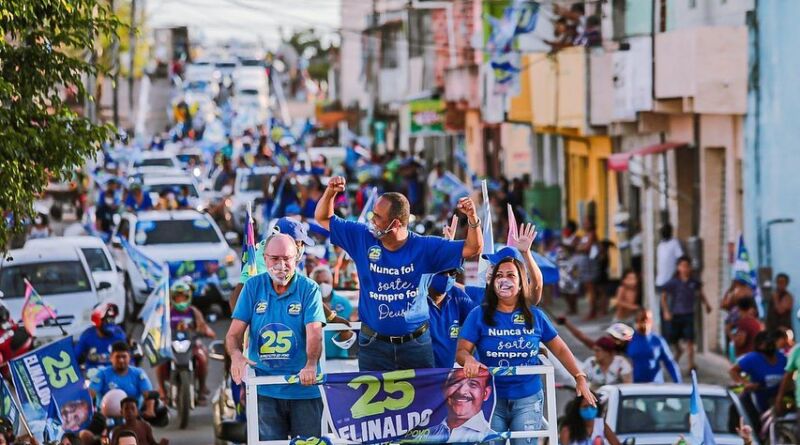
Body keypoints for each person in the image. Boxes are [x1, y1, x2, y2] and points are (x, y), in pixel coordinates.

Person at [315, 176, 483, 371]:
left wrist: (473, 219)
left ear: (394, 224)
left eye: (377, 216)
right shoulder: (362, 237)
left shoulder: (425, 246)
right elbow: (323, 218)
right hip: (373, 345)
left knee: (423, 402)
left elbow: (473, 248)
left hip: (416, 345)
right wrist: (331, 192)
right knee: (374, 402)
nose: (372, 220)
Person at [456, 251, 594, 444]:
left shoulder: (535, 316)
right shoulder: (478, 315)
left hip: (528, 398)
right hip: (490, 397)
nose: (504, 280)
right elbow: (462, 351)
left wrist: (579, 377)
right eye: (499, 275)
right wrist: (469, 359)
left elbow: (560, 349)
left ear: (521, 284)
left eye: (511, 275)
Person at [226, 234, 326, 440]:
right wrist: (236, 355)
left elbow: (314, 333)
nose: (281, 265)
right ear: (265, 258)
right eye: (274, 258)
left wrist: (310, 364)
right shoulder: (253, 286)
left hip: (304, 389)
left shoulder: (309, 288)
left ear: (296, 258)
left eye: (287, 258)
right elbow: (233, 334)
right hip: (265, 389)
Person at [154, 281, 215, 405]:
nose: (180, 300)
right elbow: (158, 327)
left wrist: (206, 332)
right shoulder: (167, 312)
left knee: (202, 357)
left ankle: (202, 387)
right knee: (160, 360)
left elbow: (202, 326)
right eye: (178, 297)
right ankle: (162, 390)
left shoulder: (193, 312)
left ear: (188, 297)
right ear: (173, 297)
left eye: (183, 297)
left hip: (191, 343)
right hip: (171, 344)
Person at [89, 342, 166, 427]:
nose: (121, 360)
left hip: (133, 417)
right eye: (118, 357)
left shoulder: (138, 373)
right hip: (105, 418)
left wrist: (149, 410)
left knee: (145, 433)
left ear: (129, 357)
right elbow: (90, 394)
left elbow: (148, 393)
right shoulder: (102, 374)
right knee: (86, 435)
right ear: (111, 358)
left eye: (124, 357)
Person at [660, 256, 711, 372]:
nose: (685, 269)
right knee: (673, 339)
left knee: (690, 340)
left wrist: (707, 304)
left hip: (689, 314)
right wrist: (666, 311)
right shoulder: (673, 282)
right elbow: (663, 297)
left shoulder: (694, 282)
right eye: (682, 266)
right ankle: (678, 351)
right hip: (676, 314)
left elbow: (700, 293)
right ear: (678, 268)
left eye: (687, 266)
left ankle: (691, 364)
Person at [729, 330, 786, 433]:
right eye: (766, 342)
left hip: (777, 399)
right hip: (757, 400)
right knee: (756, 427)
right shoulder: (753, 358)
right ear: (759, 345)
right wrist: (746, 384)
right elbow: (733, 371)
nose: (770, 345)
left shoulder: (782, 358)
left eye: (772, 342)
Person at [427, 269, 477, 369]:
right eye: (441, 272)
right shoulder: (412, 298)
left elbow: (479, 324)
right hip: (417, 376)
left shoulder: (458, 297)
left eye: (452, 273)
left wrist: (468, 357)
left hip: (447, 376)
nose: (447, 277)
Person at [310, 266, 355, 359]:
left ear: (332, 282)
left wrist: (332, 318)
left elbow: (348, 337)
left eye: (326, 282)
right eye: (318, 282)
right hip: (313, 359)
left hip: (339, 358)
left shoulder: (343, 302)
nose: (322, 285)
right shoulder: (307, 303)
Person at [626, 310, 682, 383]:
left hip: (655, 385)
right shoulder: (629, 340)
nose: (645, 322)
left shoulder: (658, 340)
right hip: (635, 385)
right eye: (642, 319)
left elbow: (670, 363)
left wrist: (678, 382)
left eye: (647, 320)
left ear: (651, 322)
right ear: (637, 321)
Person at [75, 303, 127, 378]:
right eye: (106, 319)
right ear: (97, 321)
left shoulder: (119, 335)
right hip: (92, 377)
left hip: (115, 376)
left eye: (112, 319)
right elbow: (76, 355)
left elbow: (128, 358)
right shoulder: (87, 335)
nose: (110, 322)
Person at [655, 224, 683, 291]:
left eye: (665, 231)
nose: (664, 232)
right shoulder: (660, 245)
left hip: (670, 281)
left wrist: (676, 274)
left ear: (670, 231)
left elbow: (681, 258)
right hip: (659, 281)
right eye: (662, 231)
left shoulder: (674, 243)